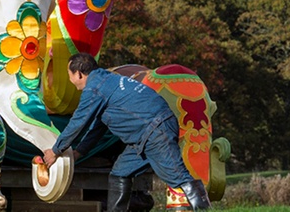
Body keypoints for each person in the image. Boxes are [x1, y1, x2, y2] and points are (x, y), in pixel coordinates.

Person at [41, 53, 211, 212]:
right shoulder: (107, 81)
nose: (70, 80)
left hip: (155, 130)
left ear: (78, 74)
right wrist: (79, 152)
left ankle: (205, 209)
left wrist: (56, 150)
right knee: (120, 173)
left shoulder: (94, 89)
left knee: (177, 176)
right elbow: (97, 127)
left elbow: (78, 122)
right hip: (145, 136)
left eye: (69, 75)